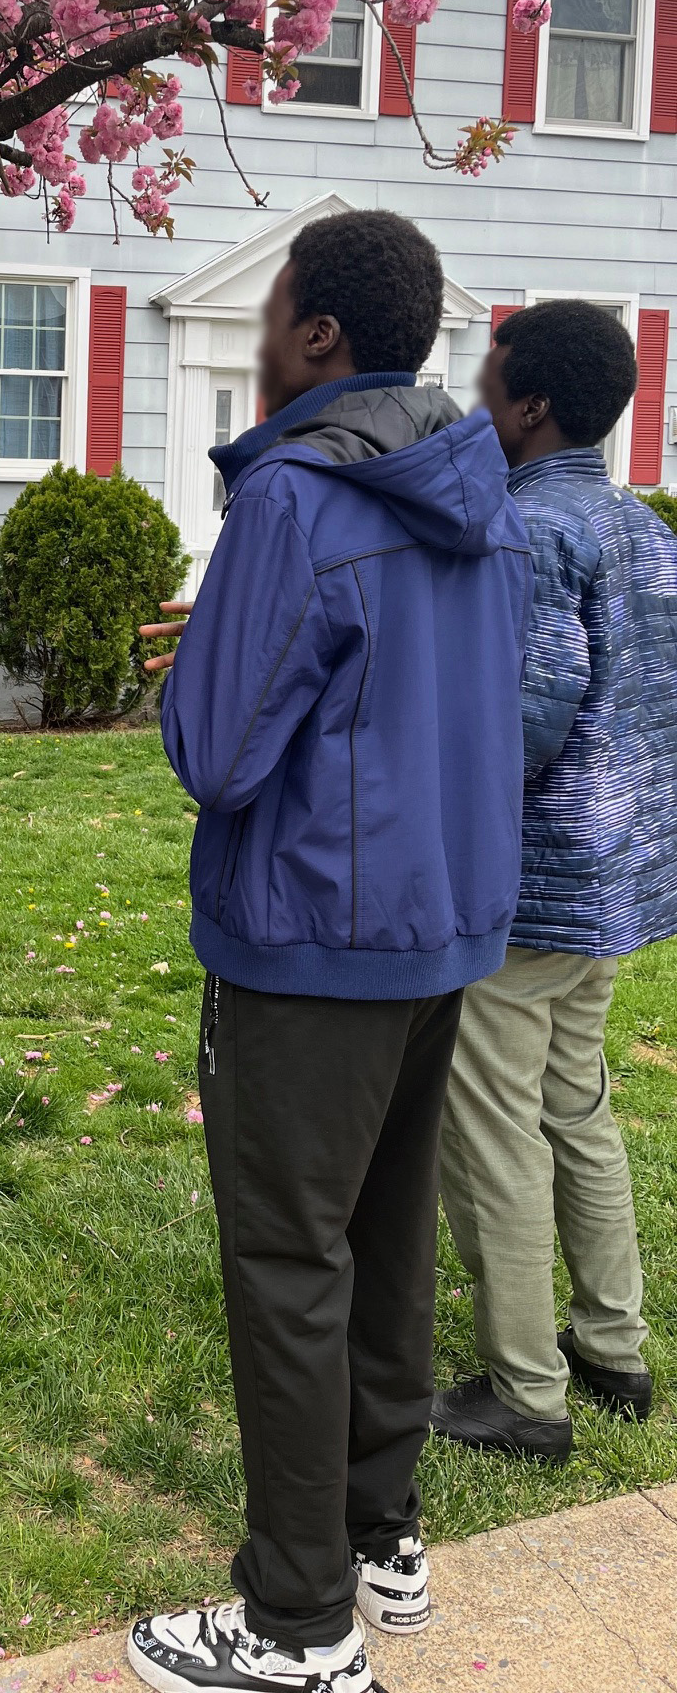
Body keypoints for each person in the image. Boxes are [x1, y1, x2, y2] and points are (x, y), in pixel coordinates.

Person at [127, 210, 533, 1693]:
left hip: (309, 940)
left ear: (318, 336)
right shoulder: (482, 494)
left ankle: (299, 1622)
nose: (256, 339)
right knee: (386, 1236)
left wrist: (199, 662)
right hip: (438, 931)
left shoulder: (295, 497)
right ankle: (380, 1532)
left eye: (273, 311)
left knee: (291, 1259)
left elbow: (217, 752)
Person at [431, 301, 677, 1462]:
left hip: (530, 890)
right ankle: (613, 1347)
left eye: (491, 380)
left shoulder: (529, 529)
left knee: (491, 1130)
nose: (478, 395)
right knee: (575, 1105)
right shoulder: (645, 529)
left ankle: (527, 1395)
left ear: (531, 406)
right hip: (617, 881)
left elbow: (521, 723)